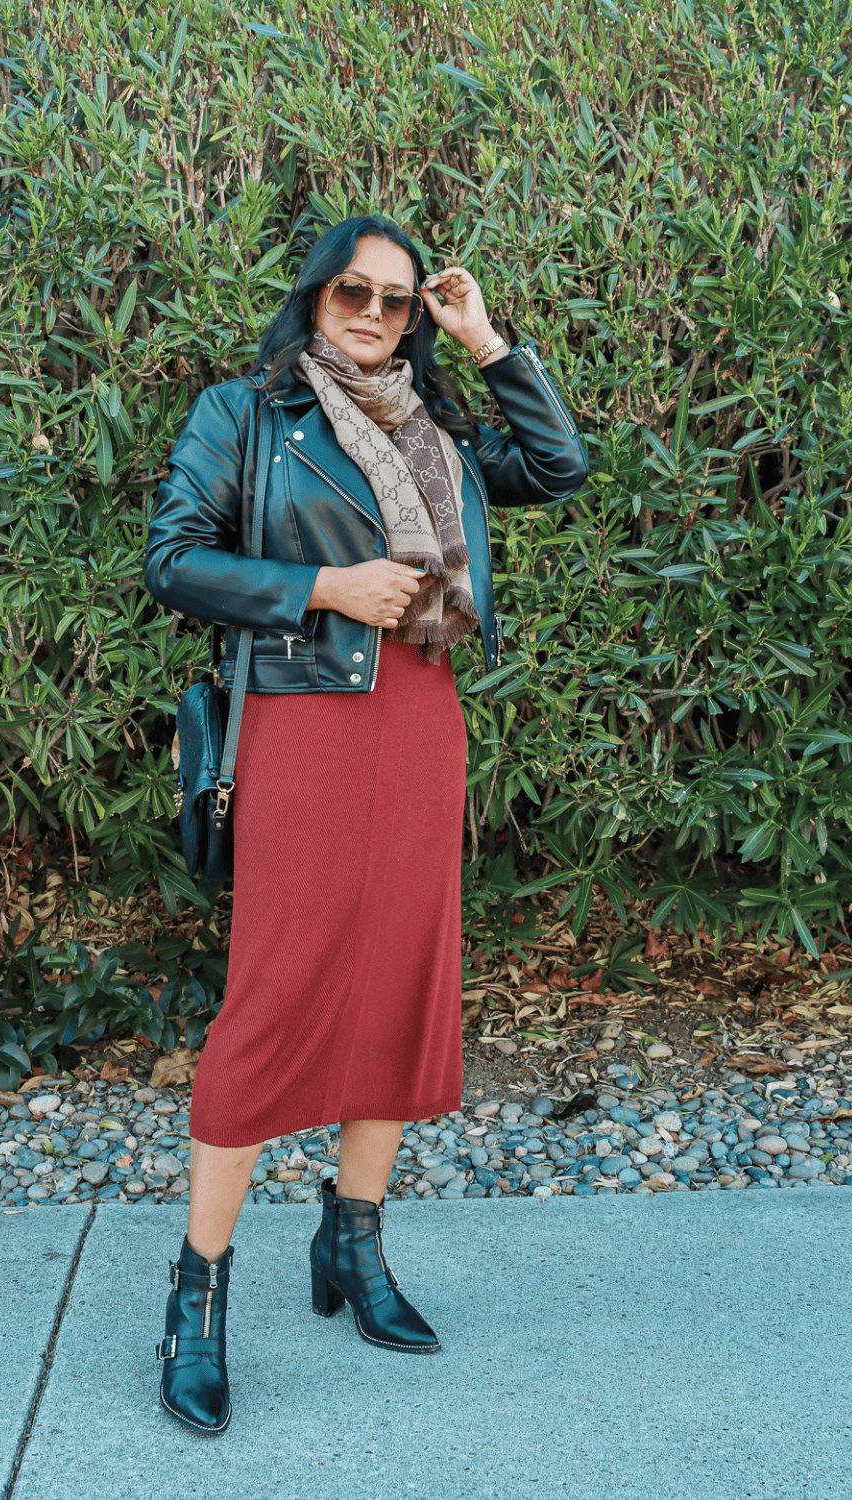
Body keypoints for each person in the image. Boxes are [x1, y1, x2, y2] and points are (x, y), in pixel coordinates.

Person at [144, 214, 589, 1434]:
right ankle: (197, 1294)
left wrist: (486, 341)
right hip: (306, 723)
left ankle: (353, 1243)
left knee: (399, 979)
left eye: (397, 299)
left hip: (422, 721)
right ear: (314, 295)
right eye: (355, 289)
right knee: (275, 990)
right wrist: (322, 588)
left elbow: (557, 467)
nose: (375, 314)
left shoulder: (435, 427)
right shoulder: (246, 415)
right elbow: (173, 558)